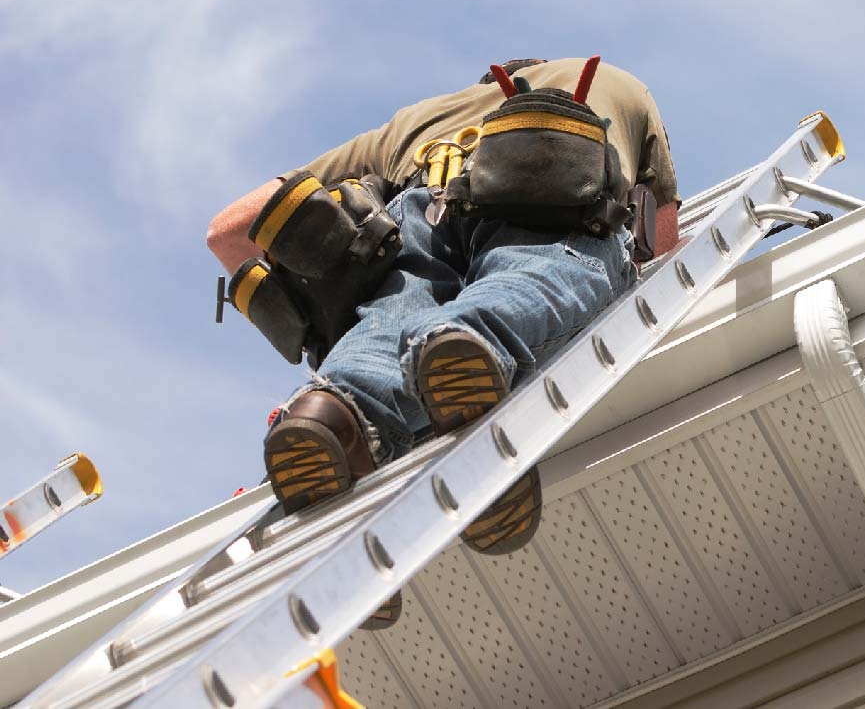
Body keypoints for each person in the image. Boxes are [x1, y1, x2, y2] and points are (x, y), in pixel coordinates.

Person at [207, 57, 679, 584]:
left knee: (388, 324)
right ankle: (472, 343)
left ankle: (331, 412)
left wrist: (302, 309)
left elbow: (230, 228)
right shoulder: (615, 83)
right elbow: (662, 240)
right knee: (538, 275)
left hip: (418, 210)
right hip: (553, 176)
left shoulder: (413, 122)